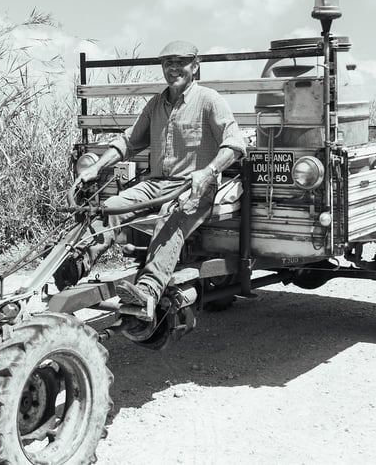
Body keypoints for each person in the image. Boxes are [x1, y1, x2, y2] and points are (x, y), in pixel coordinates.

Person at [56, 40, 247, 321]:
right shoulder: (157, 103)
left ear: (195, 66)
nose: (173, 68)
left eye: (180, 62)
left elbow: (235, 144)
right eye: (168, 63)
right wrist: (97, 166)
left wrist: (207, 172)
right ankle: (77, 261)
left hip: (193, 189)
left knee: (172, 216)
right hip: (155, 184)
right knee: (111, 206)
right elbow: (128, 142)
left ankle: (148, 289)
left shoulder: (209, 100)